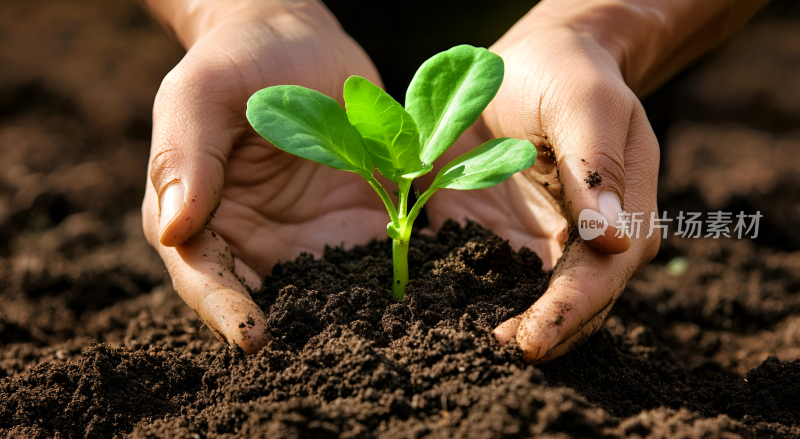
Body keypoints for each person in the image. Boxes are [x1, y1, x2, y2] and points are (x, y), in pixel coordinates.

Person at [140, 0, 769, 360]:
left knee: (608, 135)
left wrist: (592, 27)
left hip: (560, 66)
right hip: (313, 46)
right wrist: (245, 12)